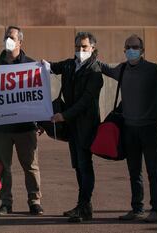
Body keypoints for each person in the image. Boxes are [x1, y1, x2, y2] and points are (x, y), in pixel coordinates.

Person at [98, 35, 157, 222]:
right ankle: (137, 208)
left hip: (149, 129)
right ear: (124, 50)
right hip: (129, 129)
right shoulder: (122, 69)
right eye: (128, 47)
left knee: (153, 171)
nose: (131, 49)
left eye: (135, 46)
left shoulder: (153, 70)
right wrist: (90, 55)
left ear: (142, 50)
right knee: (134, 172)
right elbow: (105, 69)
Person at [45, 32, 103, 222]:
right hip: (72, 126)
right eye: (77, 47)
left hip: (86, 126)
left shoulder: (95, 71)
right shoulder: (70, 65)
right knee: (78, 166)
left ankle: (83, 205)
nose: (80, 50)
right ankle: (84, 206)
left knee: (85, 166)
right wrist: (40, 65)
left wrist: (64, 115)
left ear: (92, 48)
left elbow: (86, 101)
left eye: (84, 47)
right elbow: (51, 67)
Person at [0, 26, 44, 216]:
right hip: (0, 129)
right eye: (5, 37)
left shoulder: (31, 65)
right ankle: (6, 203)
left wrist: (41, 121)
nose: (8, 41)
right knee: (4, 167)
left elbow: (39, 96)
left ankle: (34, 201)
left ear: (20, 41)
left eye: (11, 37)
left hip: (25, 128)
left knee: (30, 166)